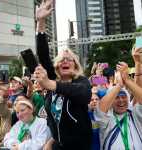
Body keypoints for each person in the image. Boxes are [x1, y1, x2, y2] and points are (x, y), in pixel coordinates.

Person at [34, 0, 92, 149]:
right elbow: (43, 53)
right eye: (61, 60)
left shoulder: (81, 81)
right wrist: (41, 21)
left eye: (69, 59)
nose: (65, 61)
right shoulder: (52, 78)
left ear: (75, 65)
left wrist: (50, 85)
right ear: (56, 66)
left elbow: (84, 94)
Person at [94, 69, 142, 150]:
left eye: (124, 97)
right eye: (117, 98)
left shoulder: (134, 115)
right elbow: (101, 108)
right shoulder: (107, 118)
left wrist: (127, 79)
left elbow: (138, 94)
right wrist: (119, 85)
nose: (121, 100)